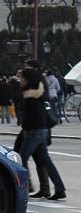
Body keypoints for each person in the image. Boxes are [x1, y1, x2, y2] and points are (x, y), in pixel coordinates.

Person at [17, 68, 66, 200]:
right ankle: (60, 189)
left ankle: (21, 188)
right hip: (40, 130)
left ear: (28, 80)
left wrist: (25, 127)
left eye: (22, 78)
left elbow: (33, 116)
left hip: (35, 131)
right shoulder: (37, 93)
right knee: (46, 161)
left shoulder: (32, 96)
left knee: (21, 159)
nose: (19, 80)